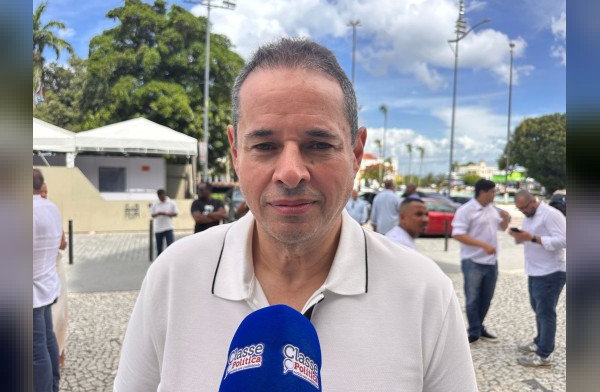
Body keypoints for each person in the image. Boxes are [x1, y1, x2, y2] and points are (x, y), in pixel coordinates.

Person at [114, 38, 477, 391]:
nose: (290, 173)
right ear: (236, 152)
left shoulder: (424, 292)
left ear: (355, 153)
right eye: (265, 145)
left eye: (318, 144)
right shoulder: (174, 276)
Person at [509, 190, 566, 367]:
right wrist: (520, 237)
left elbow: (564, 240)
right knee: (538, 309)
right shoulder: (529, 217)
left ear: (533, 201)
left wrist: (533, 238)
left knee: (546, 312)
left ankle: (544, 354)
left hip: (551, 271)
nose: (523, 211)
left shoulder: (551, 215)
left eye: (524, 207)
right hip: (535, 270)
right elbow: (530, 238)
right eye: (519, 209)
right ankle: (539, 341)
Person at [452, 179, 510, 343]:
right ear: (482, 192)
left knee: (486, 298)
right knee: (472, 298)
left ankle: (478, 327)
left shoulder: (492, 209)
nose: (494, 194)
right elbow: (457, 234)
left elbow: (502, 228)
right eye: (492, 191)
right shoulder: (465, 210)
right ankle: (474, 331)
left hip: (491, 261)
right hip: (473, 261)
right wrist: (483, 245)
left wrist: (506, 219)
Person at [33, 169, 64, 391]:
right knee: (48, 339)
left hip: (31, 292)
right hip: (47, 283)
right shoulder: (51, 207)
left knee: (36, 351)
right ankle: (53, 384)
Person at [40, 182, 69, 368]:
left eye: (46, 192)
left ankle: (59, 352)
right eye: (40, 191)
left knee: (59, 313)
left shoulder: (52, 213)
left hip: (55, 268)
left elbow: (63, 243)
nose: (44, 195)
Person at [150, 189, 179, 255]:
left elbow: (176, 213)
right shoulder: (155, 203)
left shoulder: (171, 202)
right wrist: (158, 214)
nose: (161, 198)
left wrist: (166, 214)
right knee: (159, 248)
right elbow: (152, 214)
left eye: (162, 196)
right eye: (160, 197)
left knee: (170, 246)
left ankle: (170, 259)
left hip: (168, 227)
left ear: (164, 195)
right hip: (158, 228)